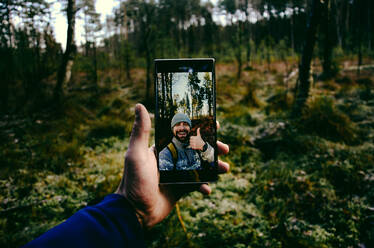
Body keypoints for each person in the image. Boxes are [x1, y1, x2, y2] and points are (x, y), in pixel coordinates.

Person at [23, 104, 229, 248]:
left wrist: (204, 148)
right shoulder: (165, 153)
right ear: (174, 129)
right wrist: (132, 210)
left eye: (186, 125)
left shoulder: (196, 147)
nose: (183, 128)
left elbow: (205, 159)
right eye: (179, 125)